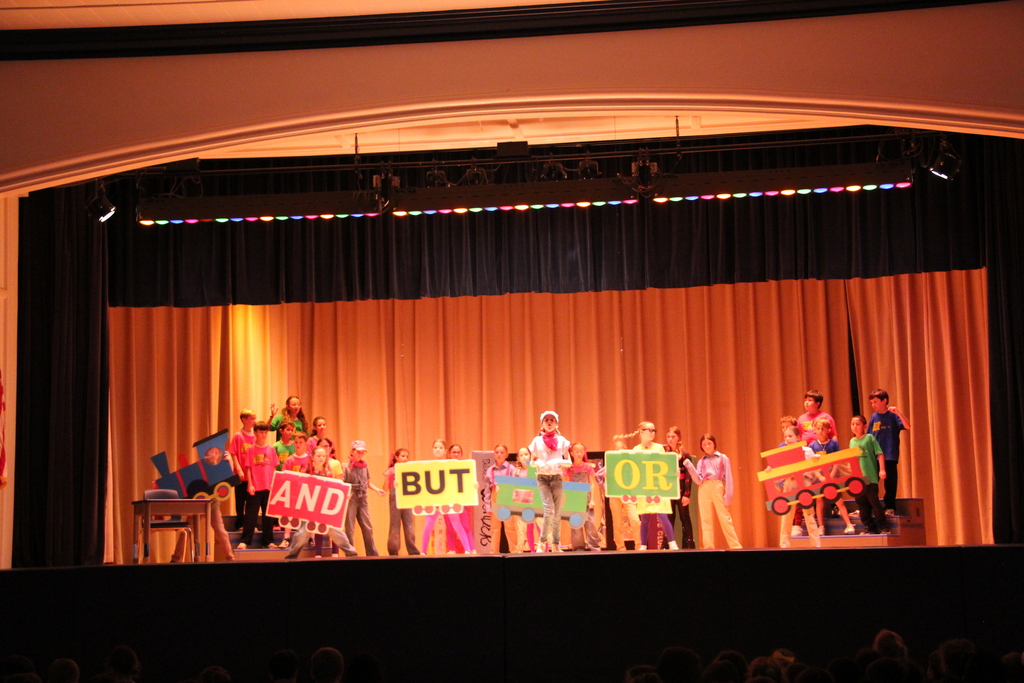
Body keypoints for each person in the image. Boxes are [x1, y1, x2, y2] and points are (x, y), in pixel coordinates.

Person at [284, 445, 358, 559]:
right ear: (312, 457)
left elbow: (335, 490)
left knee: (336, 532)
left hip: (324, 510)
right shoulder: (306, 472)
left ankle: (352, 554)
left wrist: (344, 496)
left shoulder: (328, 474)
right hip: (310, 510)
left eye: (323, 456)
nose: (321, 458)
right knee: (302, 534)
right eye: (318, 456)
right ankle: (291, 557)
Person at [619, 422, 679, 550]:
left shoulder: (659, 448)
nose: (652, 433)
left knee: (662, 515)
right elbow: (632, 469)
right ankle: (643, 545)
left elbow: (666, 466)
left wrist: (674, 472)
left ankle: (672, 543)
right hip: (644, 487)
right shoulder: (636, 450)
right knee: (645, 517)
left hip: (658, 487)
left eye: (654, 430)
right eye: (649, 430)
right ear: (641, 432)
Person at [683, 434, 742, 549]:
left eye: (709, 443)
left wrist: (728, 496)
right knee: (706, 520)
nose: (707, 446)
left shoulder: (723, 458)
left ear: (714, 444)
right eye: (704, 444)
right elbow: (699, 481)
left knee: (725, 519)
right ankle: (708, 547)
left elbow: (729, 478)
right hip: (704, 488)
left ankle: (735, 546)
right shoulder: (701, 462)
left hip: (717, 486)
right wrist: (690, 467)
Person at [771, 425, 822, 548]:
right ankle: (784, 544)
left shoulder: (807, 451)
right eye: (785, 437)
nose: (787, 439)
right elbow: (778, 469)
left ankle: (816, 544)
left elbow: (815, 469)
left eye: (790, 436)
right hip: (790, 482)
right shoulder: (784, 453)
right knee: (787, 514)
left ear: (798, 437)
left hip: (804, 481)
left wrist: (809, 479)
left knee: (809, 514)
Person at [528, 410, 572, 552]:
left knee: (557, 512)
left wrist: (558, 460)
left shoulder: (562, 441)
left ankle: (556, 544)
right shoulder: (537, 441)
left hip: (557, 477)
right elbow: (532, 461)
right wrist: (538, 463)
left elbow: (569, 462)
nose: (549, 422)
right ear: (542, 423)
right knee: (549, 509)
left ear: (556, 423)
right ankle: (541, 542)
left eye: (552, 420)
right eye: (546, 420)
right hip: (543, 478)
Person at [809, 418, 855, 534]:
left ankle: (849, 525)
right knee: (819, 501)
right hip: (819, 477)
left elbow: (836, 461)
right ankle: (820, 526)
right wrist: (819, 477)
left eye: (823, 429)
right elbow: (811, 465)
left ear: (828, 430)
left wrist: (831, 476)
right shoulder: (812, 446)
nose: (820, 431)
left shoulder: (833, 444)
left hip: (833, 476)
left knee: (839, 500)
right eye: (818, 429)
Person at [867, 388, 910, 515]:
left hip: (889, 454)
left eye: (875, 402)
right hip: (874, 456)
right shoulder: (874, 417)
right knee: (871, 484)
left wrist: (899, 413)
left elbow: (907, 426)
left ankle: (890, 507)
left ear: (884, 401)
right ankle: (872, 508)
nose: (873, 405)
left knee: (890, 483)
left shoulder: (893, 416)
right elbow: (869, 436)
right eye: (871, 403)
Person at [237, 421, 276, 550]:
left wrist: (274, 485)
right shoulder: (250, 449)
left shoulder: (271, 449)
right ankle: (245, 540)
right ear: (255, 433)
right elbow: (248, 467)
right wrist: (250, 484)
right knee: (251, 515)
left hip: (268, 486)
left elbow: (274, 468)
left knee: (268, 516)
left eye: (265, 432)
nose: (263, 435)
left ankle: (268, 541)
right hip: (255, 486)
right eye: (261, 432)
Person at [343, 440, 385, 556]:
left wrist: (377, 490)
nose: (360, 454)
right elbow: (342, 484)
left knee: (367, 527)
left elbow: (368, 483)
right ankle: (350, 553)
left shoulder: (365, 466)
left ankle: (372, 553)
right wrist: (346, 494)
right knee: (350, 528)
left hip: (362, 498)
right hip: (351, 498)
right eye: (358, 452)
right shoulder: (345, 467)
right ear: (352, 451)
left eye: (362, 452)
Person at [850, 415, 890, 535]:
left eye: (858, 424)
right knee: (862, 504)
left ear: (865, 426)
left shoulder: (869, 438)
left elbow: (880, 454)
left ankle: (884, 526)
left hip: (870, 477)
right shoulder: (852, 441)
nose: (855, 427)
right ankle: (869, 527)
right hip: (858, 480)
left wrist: (882, 470)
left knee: (873, 501)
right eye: (852, 424)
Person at [565, 441, 602, 551]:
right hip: (574, 500)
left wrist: (592, 500)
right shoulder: (569, 468)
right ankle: (578, 548)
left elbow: (592, 484)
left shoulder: (587, 467)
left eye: (581, 452)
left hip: (587, 500)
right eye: (576, 452)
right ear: (571, 453)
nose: (579, 454)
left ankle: (594, 547)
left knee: (590, 525)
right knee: (576, 526)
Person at [606, 436, 641, 551]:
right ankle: (620, 548)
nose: (619, 451)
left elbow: (636, 477)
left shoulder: (629, 463)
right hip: (615, 495)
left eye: (621, 449)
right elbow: (599, 476)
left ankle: (639, 546)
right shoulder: (610, 463)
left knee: (635, 521)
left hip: (628, 494)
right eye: (616, 449)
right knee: (617, 524)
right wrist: (606, 485)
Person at [384, 447, 420, 555]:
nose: (405, 458)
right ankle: (393, 551)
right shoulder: (391, 470)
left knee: (409, 525)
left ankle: (413, 551)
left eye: (407, 457)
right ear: (396, 457)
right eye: (403, 456)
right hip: (395, 499)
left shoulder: (410, 470)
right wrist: (386, 478)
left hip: (407, 499)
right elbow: (385, 489)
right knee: (394, 525)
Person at [225, 408, 256, 530]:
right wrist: (238, 468)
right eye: (252, 419)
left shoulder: (255, 436)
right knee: (240, 499)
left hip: (252, 475)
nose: (254, 421)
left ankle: (250, 524)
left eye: (255, 418)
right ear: (244, 420)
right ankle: (240, 523)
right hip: (240, 473)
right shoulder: (238, 436)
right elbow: (233, 453)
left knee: (251, 501)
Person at [665, 426, 696, 549]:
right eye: (668, 437)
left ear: (679, 438)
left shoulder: (684, 454)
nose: (671, 439)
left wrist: (687, 494)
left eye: (673, 437)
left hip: (681, 490)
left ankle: (688, 544)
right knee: (669, 518)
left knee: (685, 518)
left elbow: (689, 475)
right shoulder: (664, 453)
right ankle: (668, 544)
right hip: (669, 491)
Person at [485, 444, 519, 553]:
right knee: (495, 528)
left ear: (506, 455)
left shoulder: (511, 468)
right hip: (495, 499)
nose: (499, 454)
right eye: (497, 452)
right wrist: (487, 506)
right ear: (494, 454)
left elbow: (516, 487)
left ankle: (514, 551)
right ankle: (494, 552)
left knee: (510, 527)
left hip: (507, 498)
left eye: (502, 452)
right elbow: (487, 490)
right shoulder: (490, 470)